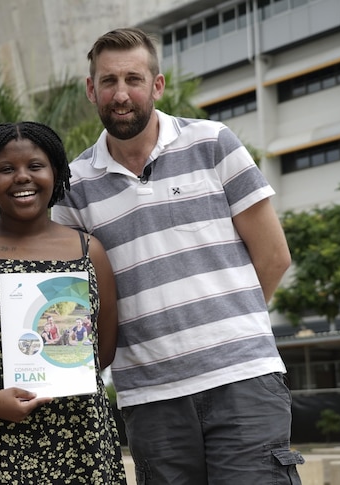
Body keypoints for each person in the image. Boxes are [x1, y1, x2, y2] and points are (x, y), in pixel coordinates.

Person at [51, 28, 304, 484]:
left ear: (157, 85)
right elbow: (73, 299)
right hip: (150, 398)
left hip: (243, 380)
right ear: (92, 90)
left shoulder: (213, 142)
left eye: (134, 78)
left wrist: (226, 326)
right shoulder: (73, 188)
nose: (121, 93)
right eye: (108, 81)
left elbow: (274, 256)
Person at [0, 121, 127, 483]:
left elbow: (104, 348)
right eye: (6, 169)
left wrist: (60, 371)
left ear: (56, 173)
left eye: (35, 166)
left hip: (77, 436)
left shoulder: (88, 250)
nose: (22, 177)